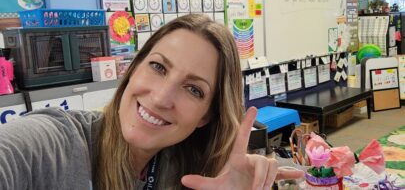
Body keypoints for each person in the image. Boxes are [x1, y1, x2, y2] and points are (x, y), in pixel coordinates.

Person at [0, 14, 303, 190]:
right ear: (133, 70)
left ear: (206, 117)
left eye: (193, 89)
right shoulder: (55, 146)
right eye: (158, 67)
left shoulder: (185, 169)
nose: (160, 98)